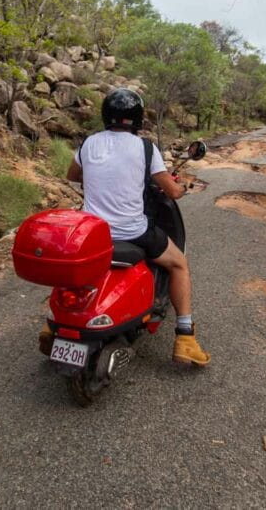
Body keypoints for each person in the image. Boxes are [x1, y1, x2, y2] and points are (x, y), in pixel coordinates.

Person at [45, 88, 211, 366]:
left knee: (73, 265)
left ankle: (49, 326)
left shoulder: (88, 143)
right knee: (179, 263)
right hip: (133, 232)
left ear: (105, 115)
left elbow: (72, 176)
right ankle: (186, 337)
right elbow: (169, 191)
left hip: (93, 233)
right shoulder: (146, 147)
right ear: (137, 118)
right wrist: (181, 187)